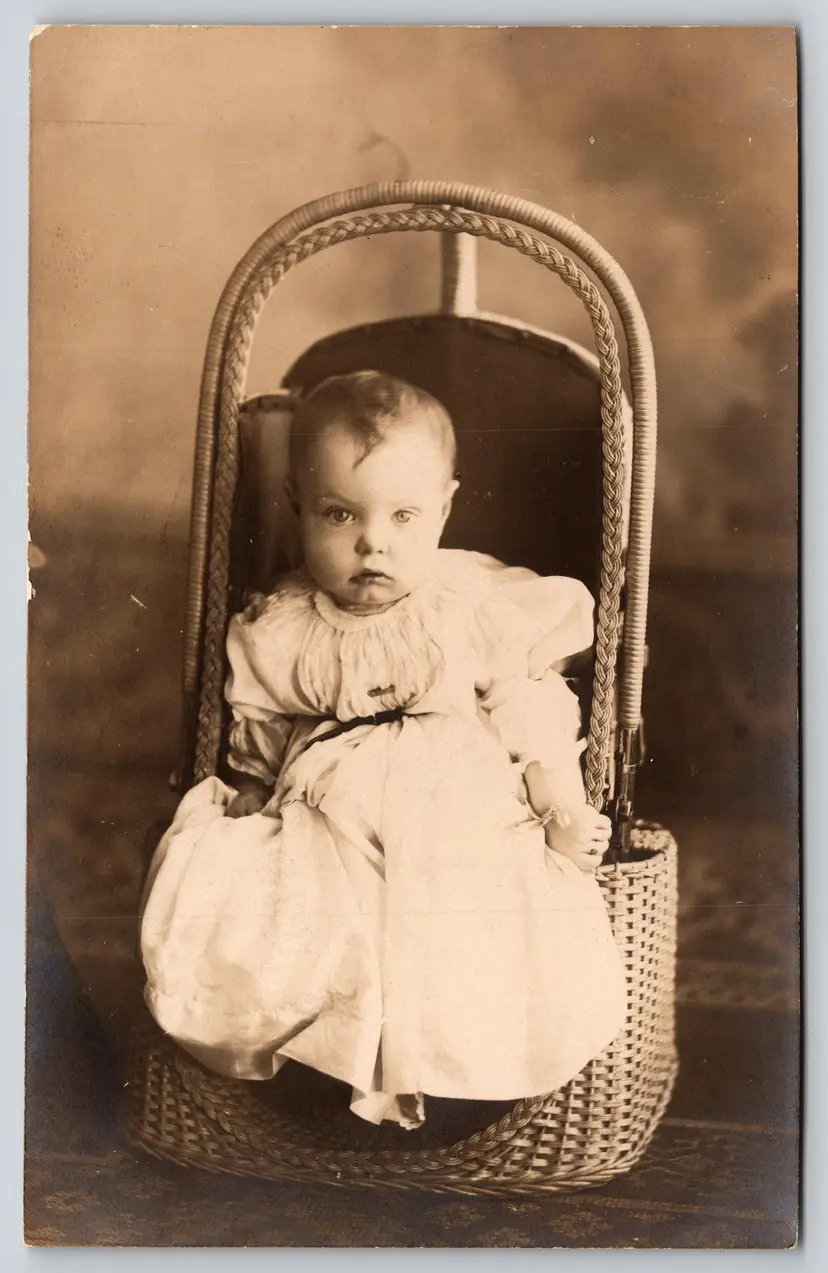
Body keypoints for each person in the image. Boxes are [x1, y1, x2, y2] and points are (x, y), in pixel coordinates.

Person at [140, 370, 626, 1129]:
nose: (374, 542)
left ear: (444, 509)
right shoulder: (286, 625)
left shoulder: (465, 604)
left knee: (477, 910)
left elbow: (529, 702)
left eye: (404, 515)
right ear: (299, 508)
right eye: (341, 515)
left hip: (457, 804)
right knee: (299, 907)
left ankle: (453, 1069)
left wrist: (559, 799)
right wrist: (250, 789)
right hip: (331, 808)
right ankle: (335, 1070)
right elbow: (260, 729)